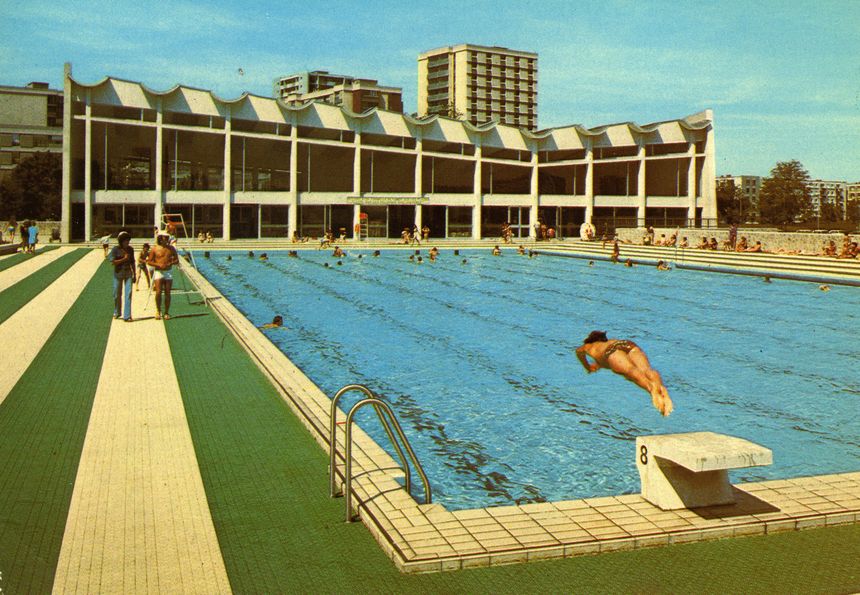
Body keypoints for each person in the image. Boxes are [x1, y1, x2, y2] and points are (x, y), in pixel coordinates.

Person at [575, 330, 673, 416]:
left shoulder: (587, 346)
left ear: (590, 340)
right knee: (646, 370)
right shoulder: (609, 342)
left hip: (611, 351)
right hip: (626, 343)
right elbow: (604, 361)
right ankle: (660, 387)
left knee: (631, 372)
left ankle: (652, 390)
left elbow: (578, 352)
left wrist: (587, 367)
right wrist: (597, 365)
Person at [146, 232, 179, 320]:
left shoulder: (171, 248)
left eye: (167, 237)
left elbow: (177, 260)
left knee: (168, 293)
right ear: (160, 238)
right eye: (165, 237)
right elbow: (149, 261)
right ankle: (158, 310)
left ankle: (166, 312)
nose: (167, 239)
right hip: (158, 272)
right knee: (158, 292)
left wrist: (170, 263)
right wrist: (158, 265)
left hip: (168, 272)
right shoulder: (155, 249)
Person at [109, 231, 136, 321]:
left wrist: (134, 274)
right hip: (118, 274)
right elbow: (113, 262)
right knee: (116, 294)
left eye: (128, 240)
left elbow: (133, 262)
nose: (127, 242)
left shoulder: (130, 249)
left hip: (128, 273)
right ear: (121, 241)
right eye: (126, 241)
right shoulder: (115, 249)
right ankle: (117, 311)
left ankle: (127, 315)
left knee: (128, 294)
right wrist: (124, 259)